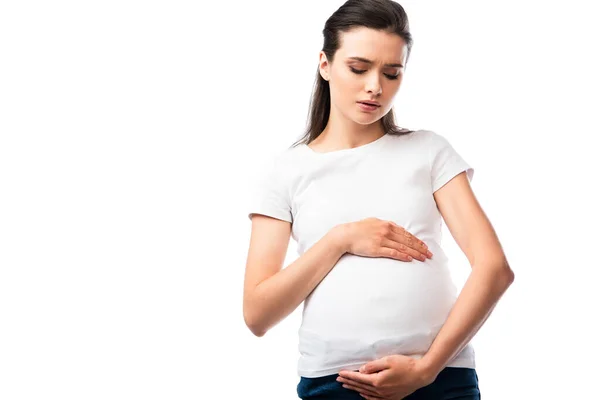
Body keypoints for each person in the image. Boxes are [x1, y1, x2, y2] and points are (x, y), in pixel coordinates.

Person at [243, 1, 515, 399]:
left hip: (441, 378)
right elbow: (257, 314)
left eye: (392, 73)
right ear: (325, 65)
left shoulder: (429, 151)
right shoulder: (284, 172)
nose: (375, 86)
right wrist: (340, 240)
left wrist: (426, 369)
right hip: (334, 384)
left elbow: (494, 268)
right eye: (358, 68)